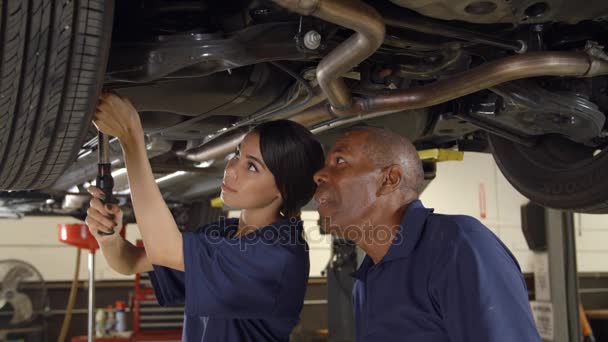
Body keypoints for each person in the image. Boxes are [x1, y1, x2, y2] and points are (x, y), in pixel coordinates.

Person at [85, 93, 325, 341]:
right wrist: (109, 237)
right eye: (237, 154)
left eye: (251, 166)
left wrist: (131, 136)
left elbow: (165, 250)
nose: (231, 169)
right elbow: (131, 262)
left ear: (282, 190)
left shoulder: (279, 254)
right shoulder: (224, 235)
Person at [313, 126, 541, 342]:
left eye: (339, 161)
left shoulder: (457, 246)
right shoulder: (366, 282)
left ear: (389, 179)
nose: (319, 175)